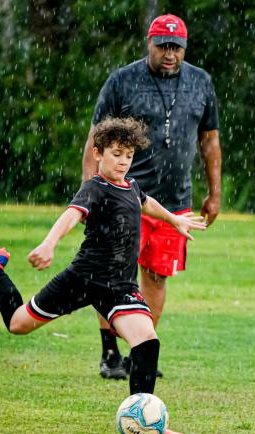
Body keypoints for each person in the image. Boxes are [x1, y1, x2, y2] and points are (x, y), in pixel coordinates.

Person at [0, 117, 206, 434]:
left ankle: (149, 421)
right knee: (17, 324)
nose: (123, 161)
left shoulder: (131, 186)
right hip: (83, 279)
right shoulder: (94, 187)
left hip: (120, 287)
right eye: (116, 154)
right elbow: (72, 215)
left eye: (128, 155)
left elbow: (145, 202)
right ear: (98, 153)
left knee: (147, 341)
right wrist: (49, 244)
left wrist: (173, 220)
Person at [82, 13, 222, 380]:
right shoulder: (123, 80)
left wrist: (215, 193)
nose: (170, 53)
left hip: (175, 201)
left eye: (177, 47)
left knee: (156, 278)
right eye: (163, 46)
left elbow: (210, 142)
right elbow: (95, 137)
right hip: (122, 196)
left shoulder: (200, 82)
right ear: (150, 42)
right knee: (113, 275)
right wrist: (89, 194)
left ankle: (139, 354)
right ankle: (110, 354)